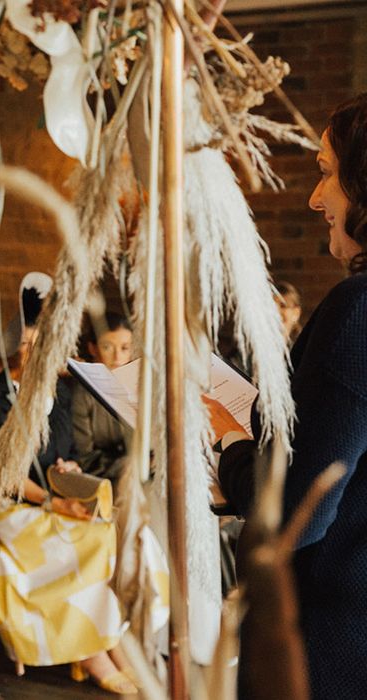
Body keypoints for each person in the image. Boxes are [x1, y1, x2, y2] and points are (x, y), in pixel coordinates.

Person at [210, 93, 367, 700]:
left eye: (327, 173)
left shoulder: (358, 313)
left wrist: (229, 437)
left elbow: (294, 513)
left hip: (328, 641)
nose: (314, 198)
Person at [0, 277, 140, 695]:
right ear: (17, 348)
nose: (36, 356)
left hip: (53, 497)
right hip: (9, 504)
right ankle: (91, 653)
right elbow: (2, 473)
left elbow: (69, 453)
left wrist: (66, 475)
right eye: (29, 347)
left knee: (105, 534)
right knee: (77, 542)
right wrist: (50, 502)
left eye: (43, 347)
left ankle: (106, 641)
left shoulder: (60, 392)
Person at [72, 311, 134, 482]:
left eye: (124, 348)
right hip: (102, 479)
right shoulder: (82, 393)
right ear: (93, 348)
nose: (117, 357)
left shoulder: (141, 385)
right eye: (107, 347)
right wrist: (132, 464)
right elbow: (85, 458)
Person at [274, 280, 303, 344]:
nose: (276, 311)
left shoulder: (303, 347)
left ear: (296, 313)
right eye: (272, 306)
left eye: (283, 306)